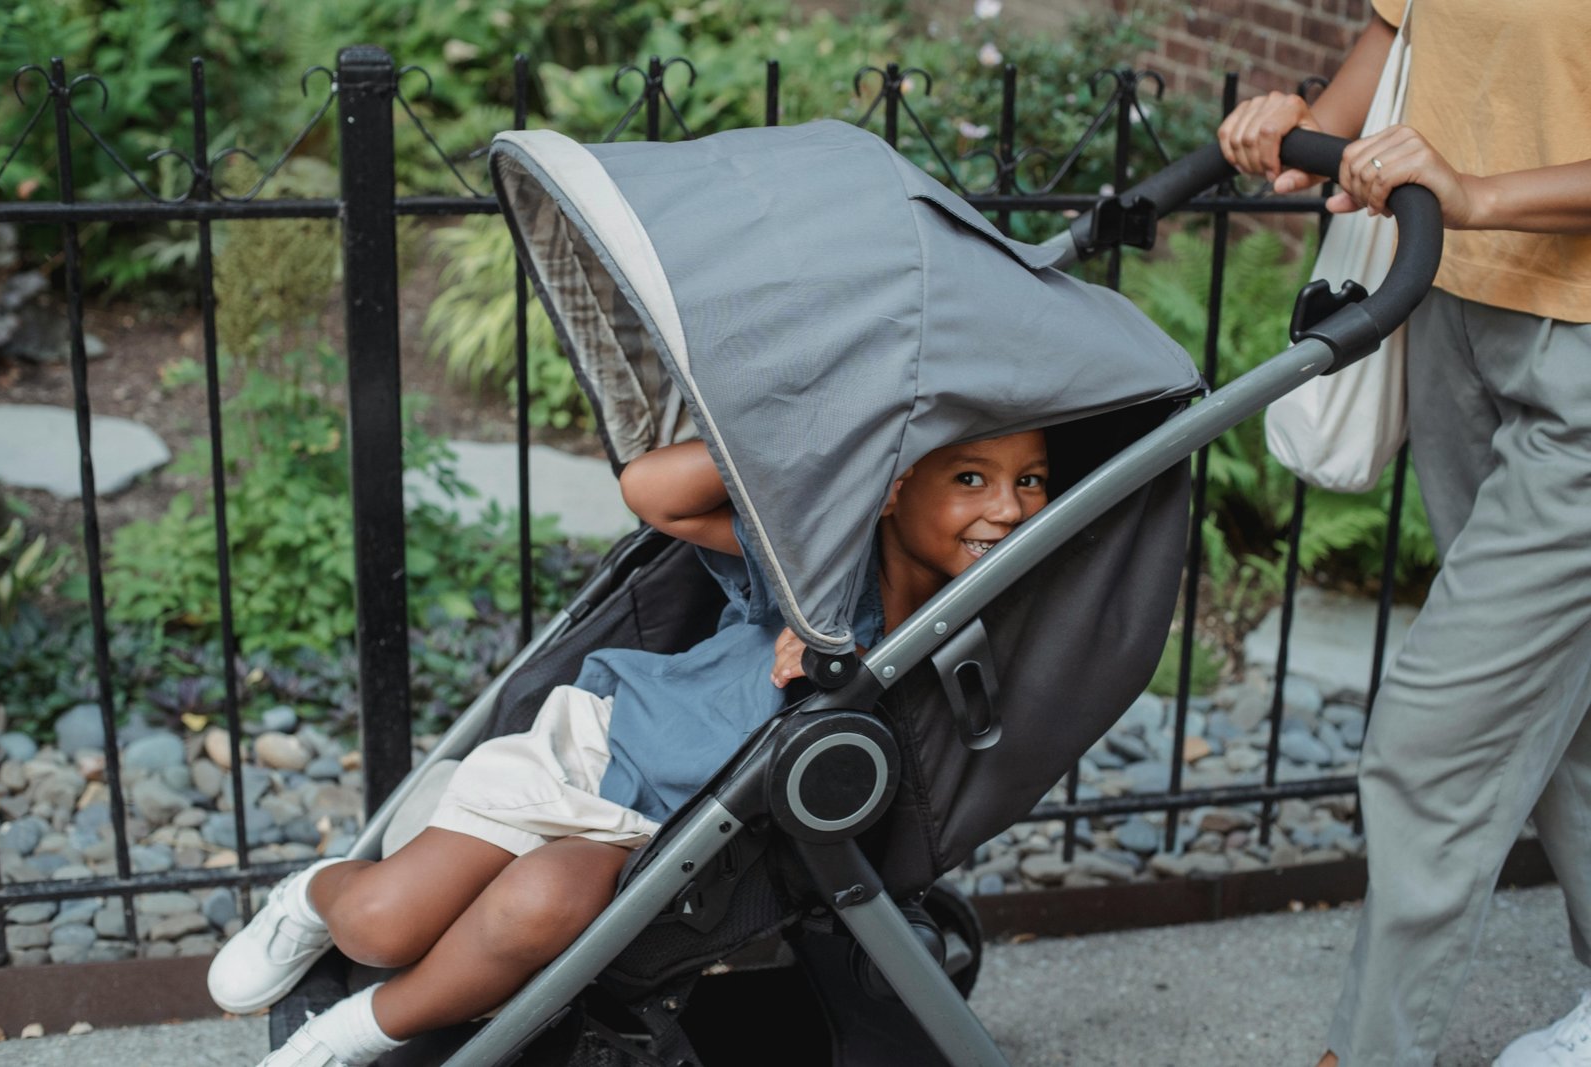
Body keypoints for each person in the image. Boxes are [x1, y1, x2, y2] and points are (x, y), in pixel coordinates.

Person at [207, 430, 1051, 1067]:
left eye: (1032, 481)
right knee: (381, 924)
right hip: (594, 756)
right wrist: (845, 447)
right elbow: (655, 491)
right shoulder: (822, 567)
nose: (1008, 507)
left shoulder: (976, 642)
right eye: (971, 478)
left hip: (670, 843)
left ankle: (358, 1032)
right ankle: (312, 898)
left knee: (539, 910)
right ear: (897, 486)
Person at [1218, 3, 1591, 1065]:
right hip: (1450, 303)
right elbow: (1403, 24)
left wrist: (1478, 193)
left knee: (1431, 739)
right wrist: (1304, 122)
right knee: (1565, 714)